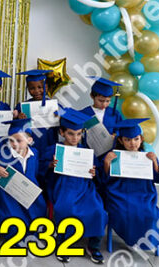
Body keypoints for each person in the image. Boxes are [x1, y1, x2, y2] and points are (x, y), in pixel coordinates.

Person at [41, 108, 107, 264]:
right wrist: (50, 165)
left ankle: (93, 246)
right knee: (66, 208)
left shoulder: (86, 152)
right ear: (62, 132)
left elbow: (97, 174)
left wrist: (94, 172)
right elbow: (39, 169)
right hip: (62, 186)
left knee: (98, 211)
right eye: (71, 134)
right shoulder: (54, 150)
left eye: (78, 134)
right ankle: (63, 242)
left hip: (85, 188)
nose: (75, 138)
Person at [102, 119, 159, 252]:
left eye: (136, 139)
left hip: (144, 194)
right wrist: (107, 163)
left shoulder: (147, 156)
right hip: (119, 194)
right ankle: (130, 239)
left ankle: (147, 242)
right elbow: (105, 180)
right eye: (127, 140)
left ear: (141, 139)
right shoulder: (114, 156)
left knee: (150, 214)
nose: (132, 143)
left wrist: (154, 162)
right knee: (124, 212)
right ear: (121, 141)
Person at [0, 118, 47, 235]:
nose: (14, 144)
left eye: (19, 140)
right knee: (13, 220)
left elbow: (36, 170)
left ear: (29, 140)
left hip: (29, 190)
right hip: (10, 193)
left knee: (37, 211)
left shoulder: (34, 153)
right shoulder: (5, 154)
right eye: (11, 140)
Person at [15, 69, 57, 156]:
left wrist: (59, 116)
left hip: (49, 144)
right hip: (30, 145)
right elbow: (15, 130)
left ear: (46, 87)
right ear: (28, 89)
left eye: (40, 87)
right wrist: (18, 119)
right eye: (32, 88)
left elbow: (64, 125)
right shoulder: (22, 107)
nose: (36, 91)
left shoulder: (53, 106)